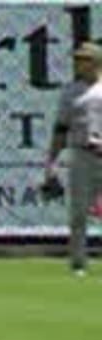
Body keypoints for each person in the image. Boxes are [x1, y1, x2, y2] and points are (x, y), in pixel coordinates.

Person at [38, 40, 102, 277]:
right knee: (78, 213)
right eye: (77, 59)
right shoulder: (70, 91)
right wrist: (51, 162)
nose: (78, 63)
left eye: (84, 59)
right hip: (82, 154)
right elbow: (61, 128)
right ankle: (78, 263)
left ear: (96, 62)